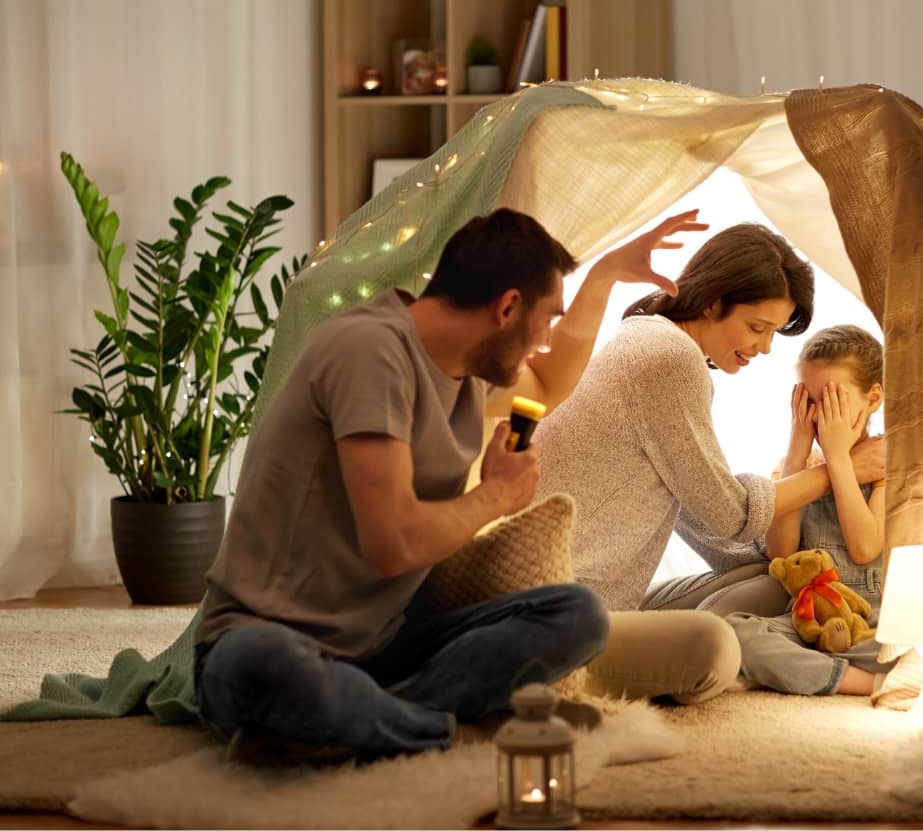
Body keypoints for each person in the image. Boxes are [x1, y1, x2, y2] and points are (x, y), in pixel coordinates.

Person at [194, 207, 705, 762]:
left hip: (383, 644)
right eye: (548, 318)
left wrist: (604, 275)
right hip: (263, 638)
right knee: (267, 667)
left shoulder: (463, 371)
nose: (547, 337)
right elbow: (393, 547)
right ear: (507, 307)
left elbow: (552, 380)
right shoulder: (369, 350)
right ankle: (439, 729)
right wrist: (494, 498)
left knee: (576, 615)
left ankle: (360, 723)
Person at [533, 224, 885, 704]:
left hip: (589, 599)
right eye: (758, 328)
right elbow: (731, 513)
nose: (763, 348)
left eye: (773, 334)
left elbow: (700, 511)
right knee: (717, 648)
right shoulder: (667, 359)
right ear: (712, 301)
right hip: (557, 610)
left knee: (768, 576)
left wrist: (779, 564)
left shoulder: (648, 340)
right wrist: (840, 469)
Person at [725, 325, 894, 697]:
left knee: (908, 647)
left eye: (834, 398)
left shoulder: (886, 463)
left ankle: (858, 678)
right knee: (733, 633)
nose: (821, 416)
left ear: (873, 398)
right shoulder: (803, 471)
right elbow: (782, 554)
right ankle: (850, 680)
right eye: (810, 400)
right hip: (809, 623)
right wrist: (798, 451)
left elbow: (865, 549)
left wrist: (838, 459)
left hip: (869, 628)